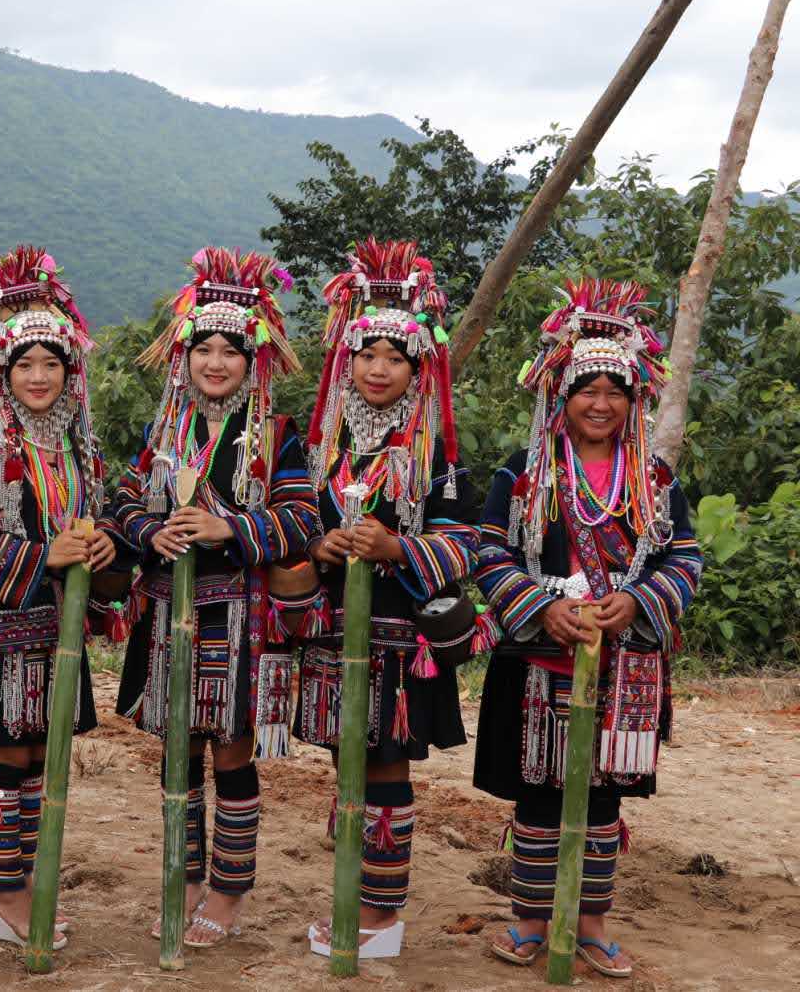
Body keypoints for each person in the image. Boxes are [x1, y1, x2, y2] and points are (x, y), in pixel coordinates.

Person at [476, 279, 701, 979]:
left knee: (604, 798)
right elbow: (489, 552)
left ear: (634, 399)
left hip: (623, 664)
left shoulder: (654, 480)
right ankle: (531, 920)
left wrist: (638, 600)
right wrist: (540, 605)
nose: (600, 403)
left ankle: (593, 923)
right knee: (538, 793)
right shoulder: (523, 474)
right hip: (539, 661)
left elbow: (685, 557)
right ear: (560, 395)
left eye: (615, 391)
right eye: (586, 390)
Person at [112, 247, 319, 947]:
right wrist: (153, 531)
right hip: (168, 613)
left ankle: (230, 890)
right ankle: (185, 877)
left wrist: (228, 526)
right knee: (179, 752)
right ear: (184, 356)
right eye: (204, 348)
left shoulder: (277, 437)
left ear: (254, 361)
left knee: (231, 752)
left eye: (232, 350)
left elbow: (303, 518)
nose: (217, 361)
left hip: (240, 619)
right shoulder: (161, 434)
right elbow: (122, 504)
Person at [298, 239, 490, 960]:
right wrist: (319, 545)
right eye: (367, 354)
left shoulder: (437, 453)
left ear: (418, 369)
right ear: (346, 361)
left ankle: (379, 917)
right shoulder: (321, 443)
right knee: (346, 763)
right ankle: (352, 898)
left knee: (385, 768)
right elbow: (294, 518)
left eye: (395, 358)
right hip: (331, 633)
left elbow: (464, 544)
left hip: (400, 643)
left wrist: (396, 548)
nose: (379, 368)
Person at [0, 245, 123, 950]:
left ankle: (22, 882)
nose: (40, 376)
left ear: (70, 372)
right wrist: (46, 555)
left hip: (61, 635)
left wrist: (105, 544)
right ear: (3, 374)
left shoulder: (80, 451)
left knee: (42, 759)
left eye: (52, 363)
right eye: (26, 365)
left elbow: (108, 516)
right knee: (9, 758)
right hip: (6, 634)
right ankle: (1, 890)